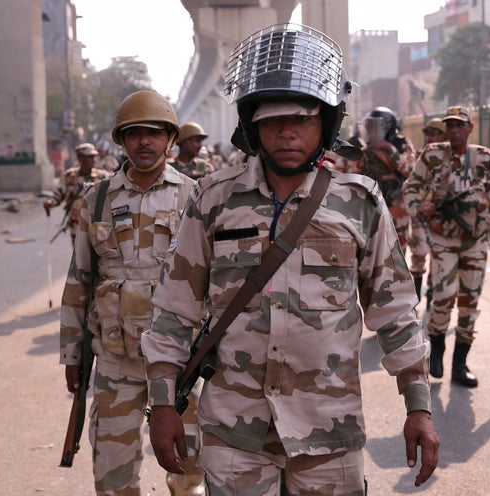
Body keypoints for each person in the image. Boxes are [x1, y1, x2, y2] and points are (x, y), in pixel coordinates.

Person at [141, 23, 439, 495]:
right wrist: (161, 405)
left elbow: (397, 312)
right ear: (252, 124)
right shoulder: (213, 200)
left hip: (329, 433)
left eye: (301, 118)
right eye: (272, 119)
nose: (286, 132)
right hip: (235, 433)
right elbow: (174, 309)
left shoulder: (358, 202)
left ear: (326, 122)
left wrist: (418, 406)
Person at [58, 90, 204, 495]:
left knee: (190, 469)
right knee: (113, 473)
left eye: (154, 133)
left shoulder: (195, 196)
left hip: (180, 363)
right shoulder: (97, 198)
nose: (144, 141)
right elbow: (78, 282)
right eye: (134, 133)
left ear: (169, 140)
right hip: (114, 361)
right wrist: (72, 353)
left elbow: (213, 281)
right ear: (120, 141)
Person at [402, 105, 490, 388]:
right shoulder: (433, 154)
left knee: (469, 303)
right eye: (450, 125)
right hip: (443, 241)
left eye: (459, 125)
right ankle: (437, 345)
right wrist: (420, 208)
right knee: (443, 297)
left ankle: (460, 364)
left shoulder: (484, 158)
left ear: (469, 128)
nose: (454, 130)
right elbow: (411, 187)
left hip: (475, 242)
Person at [360, 106, 416, 249]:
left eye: (377, 127)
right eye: (371, 127)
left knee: (398, 249)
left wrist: (390, 149)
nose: (373, 132)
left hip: (396, 206)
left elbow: (410, 171)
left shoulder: (402, 144)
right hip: (372, 205)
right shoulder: (366, 149)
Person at [408, 118, 447, 303]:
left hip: (441, 214)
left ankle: (432, 292)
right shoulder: (419, 156)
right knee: (419, 252)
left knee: (438, 256)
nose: (429, 137)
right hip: (421, 213)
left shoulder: (450, 159)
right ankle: (416, 296)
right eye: (428, 133)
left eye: (434, 133)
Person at [43, 142, 111, 246]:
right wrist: (50, 202)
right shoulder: (69, 176)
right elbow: (58, 193)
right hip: (77, 225)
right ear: (80, 158)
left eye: (93, 157)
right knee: (79, 256)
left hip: (98, 225)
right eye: (89, 157)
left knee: (100, 257)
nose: (93, 160)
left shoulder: (102, 177)